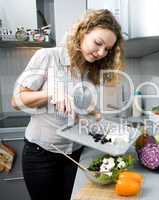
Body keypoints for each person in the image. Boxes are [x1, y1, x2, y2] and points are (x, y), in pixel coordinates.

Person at [11, 9, 125, 200]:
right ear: (83, 31)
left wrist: (94, 115)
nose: (101, 52)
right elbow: (16, 100)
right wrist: (51, 93)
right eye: (98, 43)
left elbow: (78, 108)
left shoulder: (90, 70)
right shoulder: (48, 56)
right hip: (42, 156)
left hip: (75, 154)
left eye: (107, 49)